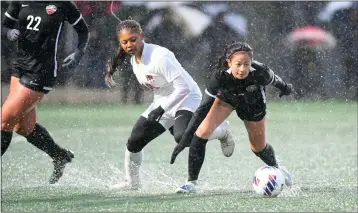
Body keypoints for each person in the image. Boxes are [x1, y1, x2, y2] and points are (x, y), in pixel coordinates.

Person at [105, 19, 236, 190]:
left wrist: (161, 109)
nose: (129, 45)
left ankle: (222, 131)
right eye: (125, 42)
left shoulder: (159, 57)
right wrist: (111, 70)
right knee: (134, 141)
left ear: (142, 36)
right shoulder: (133, 58)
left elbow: (182, 88)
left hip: (187, 97)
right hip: (163, 101)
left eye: (133, 39)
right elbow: (160, 90)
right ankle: (132, 183)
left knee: (183, 138)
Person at [170, 42, 294, 193]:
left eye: (246, 64)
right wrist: (184, 140)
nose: (242, 69)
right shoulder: (220, 75)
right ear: (229, 62)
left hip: (253, 104)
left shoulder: (261, 72)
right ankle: (191, 183)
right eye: (238, 64)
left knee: (258, 148)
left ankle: (277, 169)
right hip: (227, 100)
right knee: (200, 134)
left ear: (251, 62)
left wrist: (286, 88)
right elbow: (202, 109)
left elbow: (276, 81)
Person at [1, 1, 89, 184]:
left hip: (42, 72)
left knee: (5, 120)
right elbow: (5, 25)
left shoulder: (63, 4)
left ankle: (59, 156)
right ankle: (60, 156)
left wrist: (78, 52)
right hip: (19, 68)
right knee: (23, 128)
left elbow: (83, 31)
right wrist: (8, 32)